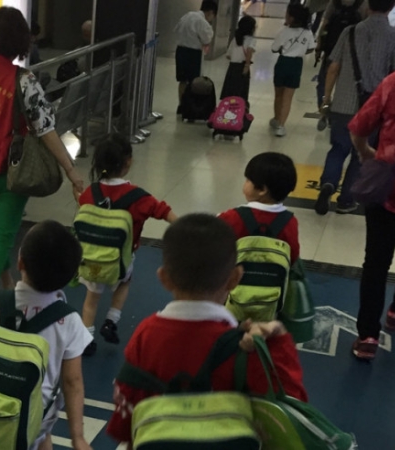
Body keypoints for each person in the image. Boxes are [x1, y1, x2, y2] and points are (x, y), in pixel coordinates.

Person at [105, 213, 308, 445]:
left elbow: (124, 423)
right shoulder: (247, 347)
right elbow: (291, 416)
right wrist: (279, 343)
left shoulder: (145, 335)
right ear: (235, 278)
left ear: (164, 278)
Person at [0, 6, 85, 330]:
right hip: (12, 172)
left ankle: (8, 287)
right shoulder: (22, 80)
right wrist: (70, 171)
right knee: (3, 238)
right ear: (19, 41)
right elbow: (45, 129)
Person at [0, 221, 94, 450]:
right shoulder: (69, 320)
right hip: (34, 418)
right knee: (41, 429)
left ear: (20, 262)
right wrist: (77, 436)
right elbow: (72, 382)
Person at [78, 134, 177, 357]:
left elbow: (83, 206)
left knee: (91, 300)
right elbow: (163, 211)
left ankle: (87, 338)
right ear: (128, 162)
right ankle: (111, 320)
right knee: (124, 283)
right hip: (121, 260)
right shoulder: (138, 197)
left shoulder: (90, 193)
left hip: (91, 258)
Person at [316, 0, 395, 216]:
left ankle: (328, 184)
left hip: (343, 103)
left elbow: (333, 67)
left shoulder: (349, 32)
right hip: (374, 109)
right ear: (390, 8)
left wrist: (326, 98)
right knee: (361, 154)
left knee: (338, 149)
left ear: (367, 7)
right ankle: (346, 200)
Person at [349, 68, 395, 360]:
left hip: (386, 189)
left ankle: (368, 337)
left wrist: (366, 153)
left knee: (375, 262)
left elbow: (359, 127)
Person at [218, 152, 300, 264]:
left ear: (262, 190)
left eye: (248, 180)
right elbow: (293, 255)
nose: (245, 183)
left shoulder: (231, 217)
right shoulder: (290, 221)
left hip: (234, 274)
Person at [314, 0, 366, 131]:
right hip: (354, 52)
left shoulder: (334, 2)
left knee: (324, 82)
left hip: (331, 50)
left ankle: (325, 111)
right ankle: (342, 115)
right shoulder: (363, 4)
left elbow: (324, 25)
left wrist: (319, 46)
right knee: (346, 85)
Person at [270, 3, 316, 137]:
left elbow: (274, 48)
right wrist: (300, 51)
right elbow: (311, 48)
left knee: (278, 94)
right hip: (296, 64)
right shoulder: (307, 33)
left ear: (291, 17)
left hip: (283, 62)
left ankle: (276, 119)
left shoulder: (283, 31)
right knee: (288, 97)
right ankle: (281, 126)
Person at [174, 1, 217, 113]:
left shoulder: (187, 15)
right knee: (194, 81)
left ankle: (181, 106)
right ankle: (191, 107)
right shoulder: (202, 22)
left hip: (180, 50)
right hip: (193, 53)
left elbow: (176, 29)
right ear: (211, 12)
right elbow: (207, 39)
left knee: (182, 80)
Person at [220, 15, 257, 103]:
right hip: (242, 67)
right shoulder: (251, 40)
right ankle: (238, 108)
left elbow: (228, 55)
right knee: (240, 92)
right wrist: (247, 65)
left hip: (232, 68)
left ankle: (229, 107)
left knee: (231, 90)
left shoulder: (235, 39)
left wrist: (236, 55)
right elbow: (249, 51)